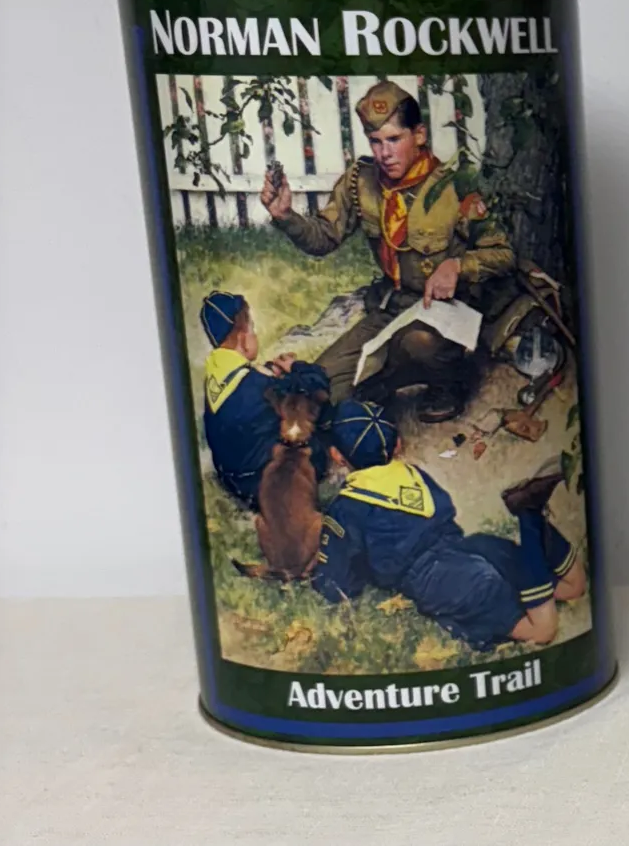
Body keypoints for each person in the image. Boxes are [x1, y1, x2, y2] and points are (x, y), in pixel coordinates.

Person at [259, 80, 518, 422]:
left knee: (418, 343)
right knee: (321, 386)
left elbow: (503, 254)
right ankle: (381, 382)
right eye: (376, 141)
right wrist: (285, 216)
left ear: (419, 135)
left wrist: (457, 266)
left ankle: (449, 384)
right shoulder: (361, 182)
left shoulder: (454, 187)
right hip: (391, 308)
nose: (384, 153)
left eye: (394, 139)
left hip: (445, 313)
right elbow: (323, 238)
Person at [313, 400, 587, 649]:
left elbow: (337, 580)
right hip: (473, 548)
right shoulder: (413, 475)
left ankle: (529, 517)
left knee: (542, 630)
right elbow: (445, 509)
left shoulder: (346, 508)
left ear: (337, 455)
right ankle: (536, 518)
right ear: (397, 446)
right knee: (573, 587)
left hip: (445, 581)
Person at [198, 291, 318, 510]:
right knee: (319, 429)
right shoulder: (261, 387)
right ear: (243, 339)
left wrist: (267, 372)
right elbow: (316, 386)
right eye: (252, 328)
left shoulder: (214, 373)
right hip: (263, 490)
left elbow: (241, 390)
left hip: (232, 481)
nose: (256, 333)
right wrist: (296, 368)